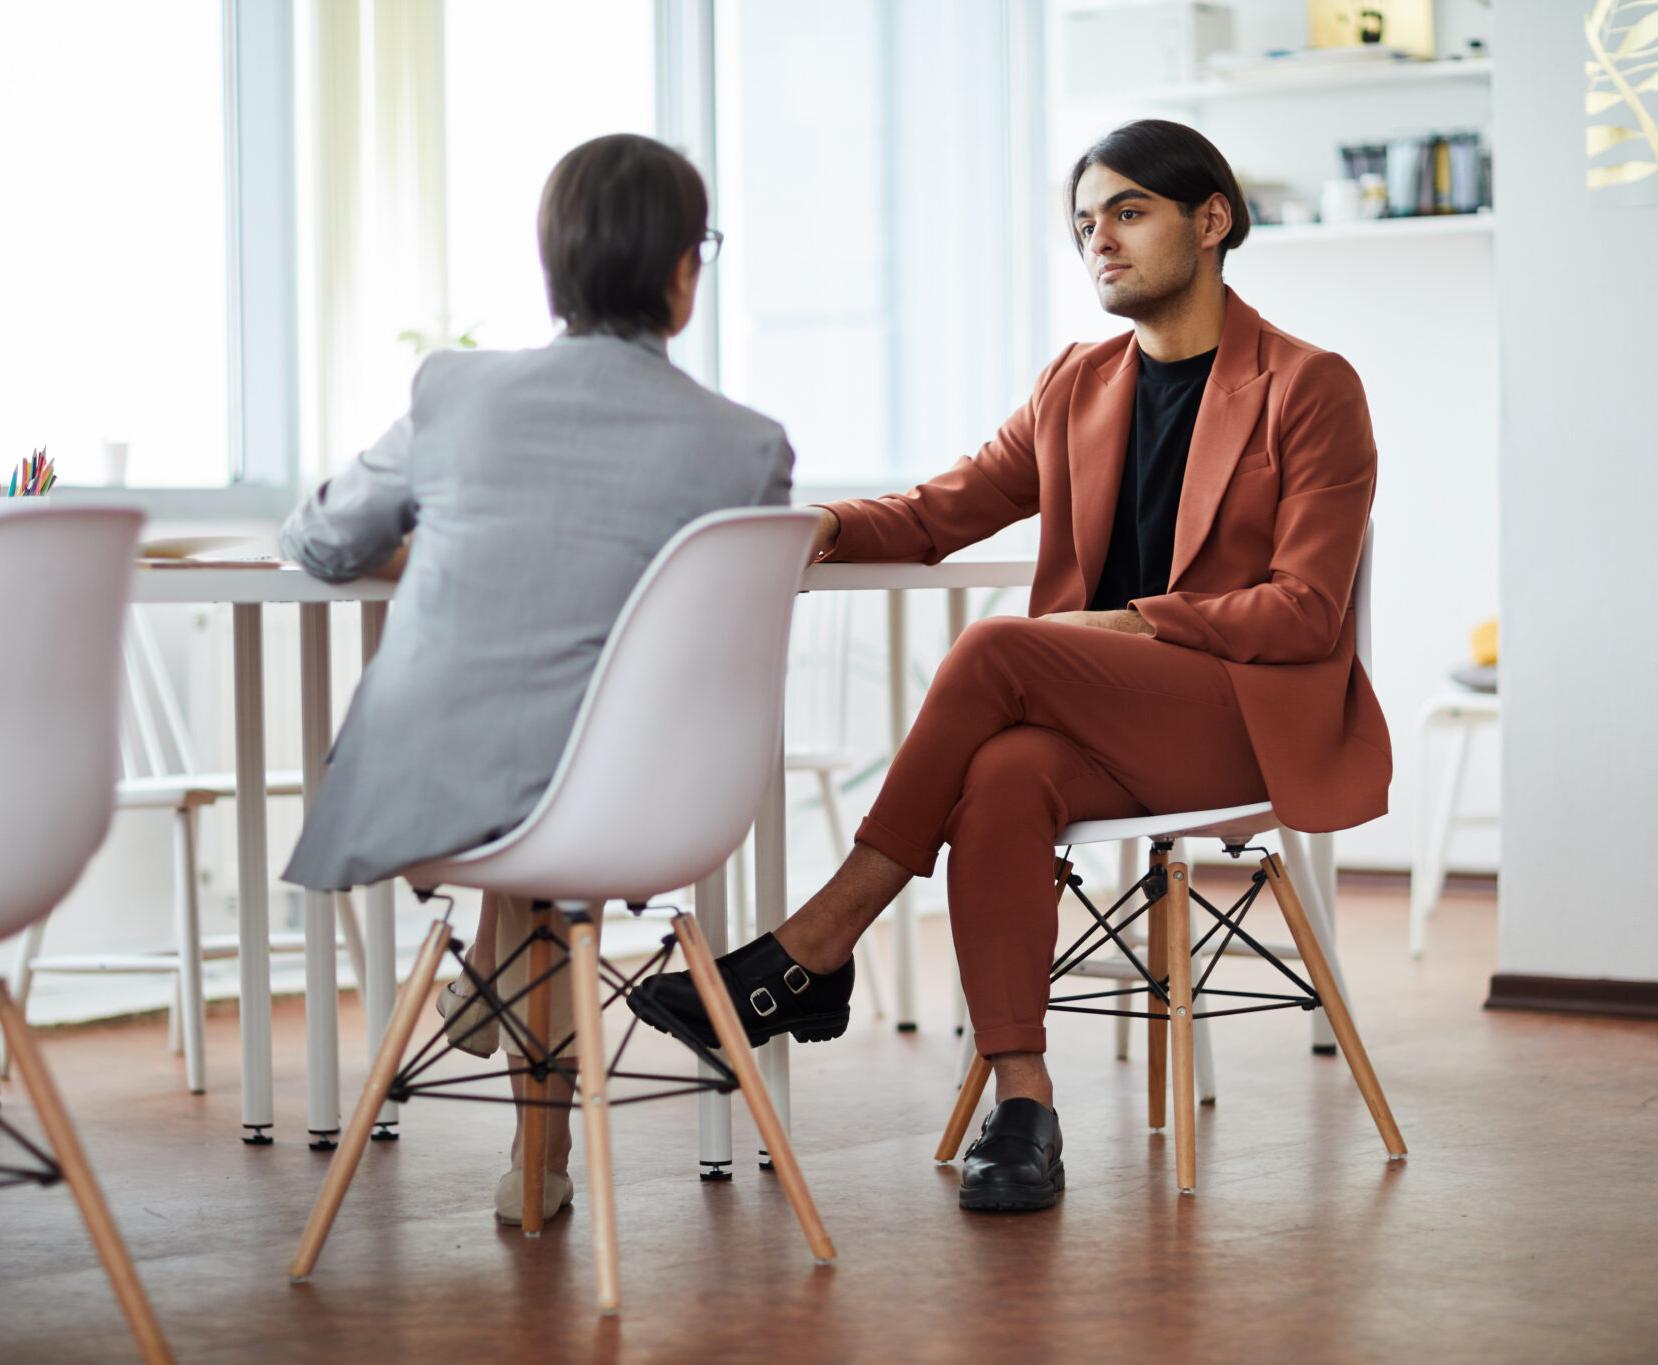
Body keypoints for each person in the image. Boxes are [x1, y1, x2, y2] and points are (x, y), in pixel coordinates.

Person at [631, 119, 1390, 1214]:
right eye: (1084, 224)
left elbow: (1306, 611)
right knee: (999, 778)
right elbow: (942, 510)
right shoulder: (1073, 386)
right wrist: (806, 528)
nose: (1100, 242)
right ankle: (1023, 1105)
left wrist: (1123, 628)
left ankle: (816, 942)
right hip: (1101, 728)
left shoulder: (1307, 386)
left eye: (1127, 213)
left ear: (1211, 220)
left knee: (995, 648)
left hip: (1242, 722)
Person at [280, 133, 794, 1224]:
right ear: (680, 273)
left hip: (444, 782)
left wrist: (449, 546)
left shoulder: (455, 392)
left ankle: (496, 1000)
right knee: (567, 780)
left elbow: (322, 543)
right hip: (657, 794)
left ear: (550, 267)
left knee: (531, 789)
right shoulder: (748, 447)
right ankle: (531, 1140)